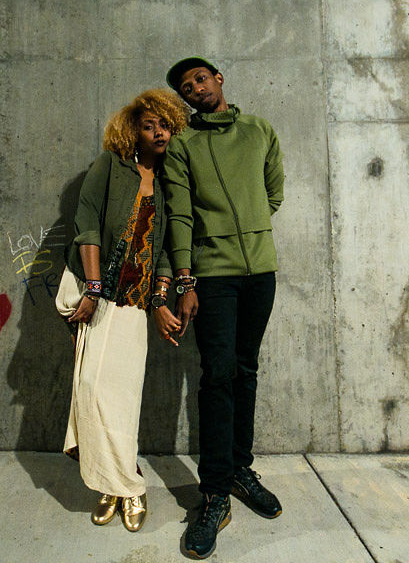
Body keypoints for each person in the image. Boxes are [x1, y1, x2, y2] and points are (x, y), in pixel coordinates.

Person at [162, 57, 285, 559]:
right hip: (212, 277)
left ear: (218, 79)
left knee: (245, 370)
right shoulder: (183, 147)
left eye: (200, 79)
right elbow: (181, 215)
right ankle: (213, 493)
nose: (195, 88)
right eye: (186, 87)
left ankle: (238, 469)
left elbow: (273, 191)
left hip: (260, 272)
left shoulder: (259, 130)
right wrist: (186, 279)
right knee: (217, 375)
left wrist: (252, 231)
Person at [56, 88, 187, 532]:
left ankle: (123, 486)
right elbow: (87, 221)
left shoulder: (168, 185)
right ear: (133, 130)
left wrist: (160, 300)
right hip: (102, 298)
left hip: (135, 305)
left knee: (123, 401)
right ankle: (116, 485)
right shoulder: (110, 167)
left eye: (164, 124)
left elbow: (164, 251)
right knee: (92, 389)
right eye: (149, 125)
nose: (158, 132)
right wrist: (92, 288)